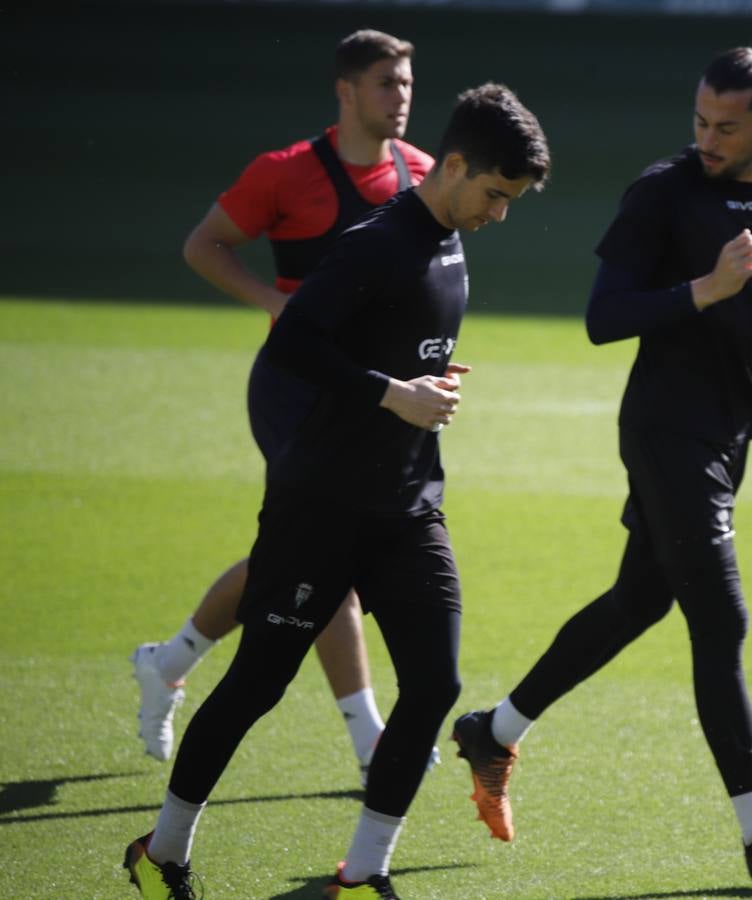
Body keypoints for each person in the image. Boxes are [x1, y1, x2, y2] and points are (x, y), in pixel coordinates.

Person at [449, 31, 752, 889]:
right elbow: (604, 317)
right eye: (700, 120)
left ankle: (491, 731)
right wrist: (704, 290)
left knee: (641, 598)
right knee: (722, 623)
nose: (707, 139)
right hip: (664, 430)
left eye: (726, 126)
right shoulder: (662, 192)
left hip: (729, 436)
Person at [121, 83, 551, 900]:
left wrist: (426, 379)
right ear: (453, 165)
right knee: (258, 683)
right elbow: (296, 346)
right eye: (495, 194)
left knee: (434, 685)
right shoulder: (374, 242)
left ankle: (364, 871)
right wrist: (393, 391)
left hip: (410, 502)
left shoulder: (454, 238)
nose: (499, 214)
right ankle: (166, 846)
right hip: (320, 502)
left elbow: (395, 341)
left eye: (512, 201)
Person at [130, 29, 436, 783]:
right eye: (386, 84)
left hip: (379, 394)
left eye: (406, 83)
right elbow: (205, 245)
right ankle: (368, 738)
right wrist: (274, 304)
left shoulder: (421, 173)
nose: (401, 97)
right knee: (331, 546)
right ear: (346, 91)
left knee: (303, 555)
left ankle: (166, 661)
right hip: (296, 388)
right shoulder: (286, 172)